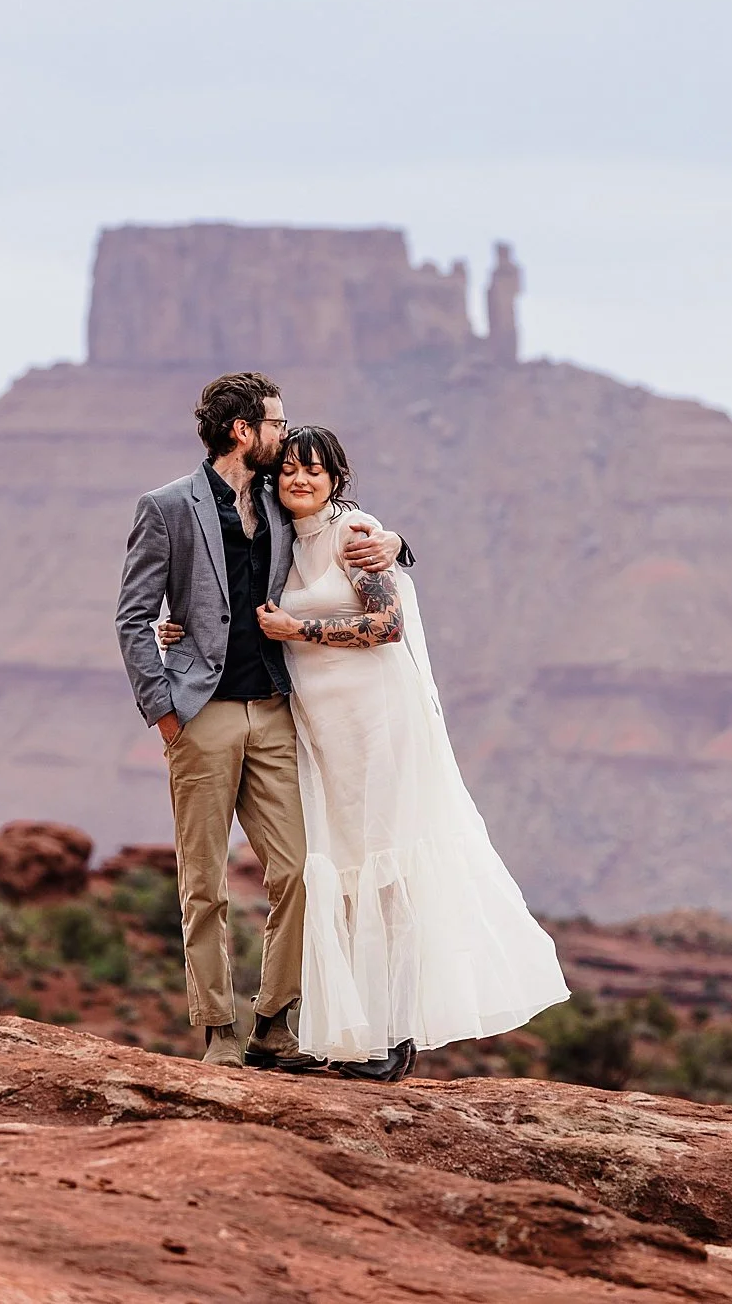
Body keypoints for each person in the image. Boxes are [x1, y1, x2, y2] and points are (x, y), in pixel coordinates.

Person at [170, 425, 567, 1081]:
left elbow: (387, 626)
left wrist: (302, 627)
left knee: (382, 872)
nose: (301, 479)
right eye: (291, 469)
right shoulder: (279, 543)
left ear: (336, 478)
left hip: (375, 725)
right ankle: (355, 1034)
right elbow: (233, 603)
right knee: (339, 870)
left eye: (315, 471)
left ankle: (392, 1035)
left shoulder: (356, 534)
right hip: (319, 731)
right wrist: (178, 625)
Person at [114, 373, 408, 1069]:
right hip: (201, 716)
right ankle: (218, 1031)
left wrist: (394, 540)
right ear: (244, 431)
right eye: (276, 423)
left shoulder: (278, 500)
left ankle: (274, 1023)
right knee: (205, 884)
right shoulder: (166, 508)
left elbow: (341, 517)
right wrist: (164, 712)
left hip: (275, 711)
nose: (285, 433)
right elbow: (132, 616)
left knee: (302, 872)